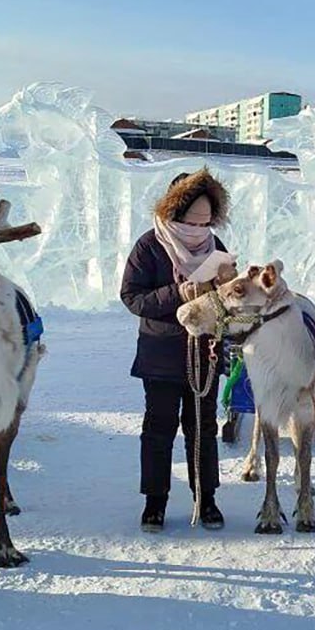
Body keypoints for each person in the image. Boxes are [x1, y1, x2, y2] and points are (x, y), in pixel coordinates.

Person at [120, 170, 236, 533]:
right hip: (161, 354)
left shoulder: (213, 245)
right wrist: (180, 294)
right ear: (175, 214)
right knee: (159, 430)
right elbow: (132, 298)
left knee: (202, 430)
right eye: (192, 222)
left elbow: (227, 301)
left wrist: (227, 287)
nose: (199, 230)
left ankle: (207, 498)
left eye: (206, 222)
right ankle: (155, 501)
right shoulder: (150, 245)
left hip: (205, 353)